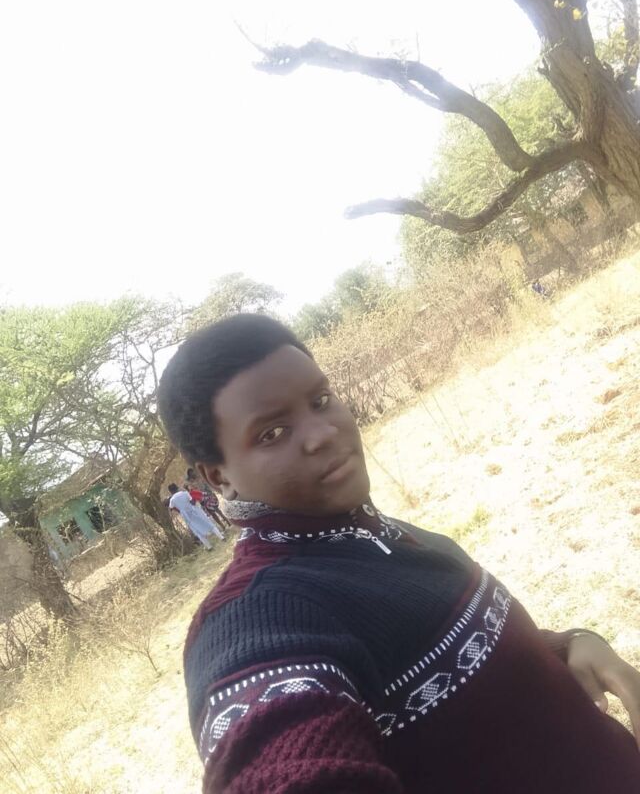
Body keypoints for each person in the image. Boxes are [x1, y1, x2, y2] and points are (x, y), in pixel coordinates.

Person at [158, 314, 640, 794]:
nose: (322, 433)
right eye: (272, 433)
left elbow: (466, 664)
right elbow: (281, 759)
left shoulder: (368, 531)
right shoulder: (256, 616)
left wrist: (568, 646)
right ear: (219, 476)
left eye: (321, 401)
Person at [167, 483, 224, 548]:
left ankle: (209, 547)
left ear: (170, 491)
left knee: (196, 530)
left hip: (186, 515)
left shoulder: (172, 500)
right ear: (177, 488)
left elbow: (171, 508)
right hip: (194, 510)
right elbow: (192, 502)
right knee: (207, 522)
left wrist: (180, 510)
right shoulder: (184, 493)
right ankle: (221, 537)